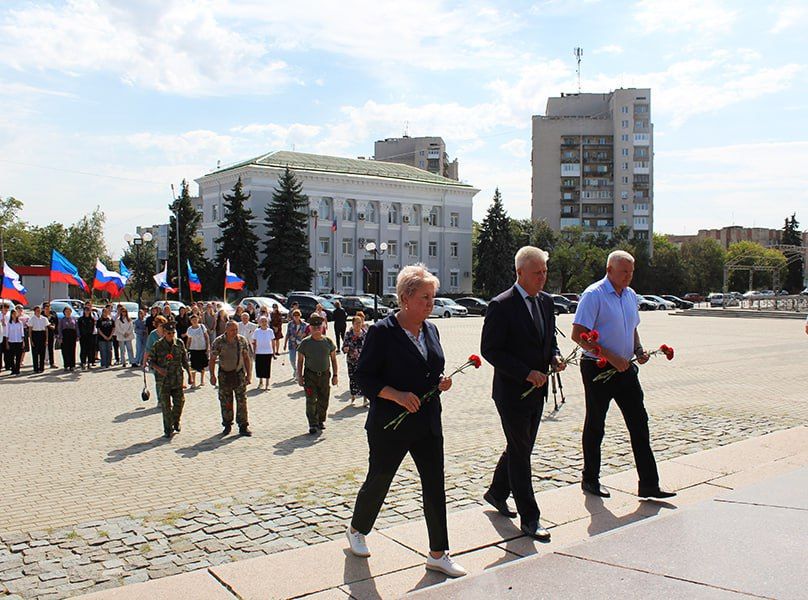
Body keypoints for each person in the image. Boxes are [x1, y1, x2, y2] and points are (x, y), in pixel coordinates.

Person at [346, 264, 466, 578]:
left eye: (433, 297)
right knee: (380, 480)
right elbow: (364, 377)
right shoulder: (382, 332)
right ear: (405, 298)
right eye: (425, 297)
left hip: (427, 422)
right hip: (391, 424)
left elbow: (429, 368)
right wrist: (397, 395)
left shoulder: (431, 329)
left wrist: (440, 381)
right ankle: (357, 529)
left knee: (434, 485)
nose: (431, 303)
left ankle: (438, 553)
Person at [572, 250, 676, 500]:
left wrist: (638, 350)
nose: (628, 277)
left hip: (626, 368)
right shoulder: (593, 295)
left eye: (631, 272)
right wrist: (609, 356)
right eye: (624, 272)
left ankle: (649, 483)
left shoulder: (630, 295)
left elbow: (633, 329)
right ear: (609, 271)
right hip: (598, 368)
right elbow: (579, 335)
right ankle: (590, 479)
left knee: (639, 422)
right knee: (596, 423)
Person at [480, 246, 563, 542]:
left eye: (545, 272)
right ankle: (531, 518)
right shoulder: (501, 305)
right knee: (520, 452)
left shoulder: (546, 302)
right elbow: (490, 349)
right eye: (537, 272)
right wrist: (526, 372)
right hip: (512, 392)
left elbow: (549, 338)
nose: (543, 277)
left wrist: (554, 357)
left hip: (537, 392)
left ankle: (497, 492)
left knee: (521, 447)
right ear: (520, 273)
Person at [209, 321, 253, 436]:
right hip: (224, 374)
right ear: (226, 330)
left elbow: (246, 357)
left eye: (236, 330)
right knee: (226, 401)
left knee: (242, 400)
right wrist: (212, 375)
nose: (235, 332)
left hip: (239, 373)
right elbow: (213, 359)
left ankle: (243, 425)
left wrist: (249, 374)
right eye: (232, 330)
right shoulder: (218, 342)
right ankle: (227, 424)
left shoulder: (242, 340)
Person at [296, 313, 337, 434]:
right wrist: (299, 376)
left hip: (324, 375)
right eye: (314, 328)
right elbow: (300, 361)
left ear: (323, 327)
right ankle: (312, 423)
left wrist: (335, 375)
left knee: (324, 399)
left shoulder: (328, 342)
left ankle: (320, 420)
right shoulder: (305, 343)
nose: (317, 329)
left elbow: (334, 359)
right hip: (310, 375)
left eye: (319, 327)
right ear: (310, 328)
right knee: (311, 400)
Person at [149, 322, 191, 438]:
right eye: (169, 333)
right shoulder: (158, 345)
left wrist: (189, 375)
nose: (171, 335)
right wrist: (159, 369)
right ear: (164, 333)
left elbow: (185, 361)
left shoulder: (179, 343)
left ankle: (175, 420)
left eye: (173, 333)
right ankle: (168, 429)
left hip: (177, 379)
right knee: (166, 406)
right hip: (163, 381)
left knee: (180, 402)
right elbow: (151, 361)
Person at [343, 311, 368, 405]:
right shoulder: (348, 334)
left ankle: (365, 399)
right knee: (353, 378)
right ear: (352, 324)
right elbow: (344, 346)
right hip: (351, 360)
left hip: (363, 361)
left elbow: (369, 346)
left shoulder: (365, 333)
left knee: (364, 378)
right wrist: (345, 349)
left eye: (359, 323)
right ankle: (353, 395)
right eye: (356, 323)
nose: (358, 325)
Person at [143, 316, 168, 406]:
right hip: (156, 362)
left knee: (168, 381)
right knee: (159, 382)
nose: (162, 327)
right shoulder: (152, 335)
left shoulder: (168, 333)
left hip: (167, 361)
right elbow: (147, 349)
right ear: (156, 325)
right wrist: (144, 362)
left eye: (164, 325)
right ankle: (160, 400)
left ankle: (167, 399)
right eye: (161, 325)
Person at [185, 313, 209, 387]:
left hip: (202, 348)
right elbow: (189, 340)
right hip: (193, 349)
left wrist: (208, 347)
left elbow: (206, 337)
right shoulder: (189, 329)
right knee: (193, 366)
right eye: (193, 320)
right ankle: (194, 382)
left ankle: (202, 380)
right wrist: (186, 349)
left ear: (198, 319)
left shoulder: (202, 327)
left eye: (196, 319)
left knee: (202, 365)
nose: (194, 321)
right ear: (191, 321)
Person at [252, 316, 275, 390]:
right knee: (259, 368)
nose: (264, 323)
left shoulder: (270, 331)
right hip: (259, 352)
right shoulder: (257, 331)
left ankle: (267, 384)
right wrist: (254, 353)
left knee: (267, 368)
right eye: (262, 321)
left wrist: (274, 352)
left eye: (265, 321)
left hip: (268, 352)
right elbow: (254, 342)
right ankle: (260, 382)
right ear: (259, 323)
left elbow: (273, 342)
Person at [284, 309, 307, 379]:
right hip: (292, 343)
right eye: (295, 315)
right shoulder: (290, 324)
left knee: (300, 359)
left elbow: (306, 334)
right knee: (292, 359)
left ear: (300, 316)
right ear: (293, 316)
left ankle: (298, 372)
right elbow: (288, 334)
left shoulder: (304, 325)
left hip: (301, 344)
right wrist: (285, 343)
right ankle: (295, 369)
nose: (296, 317)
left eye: (298, 315)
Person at [28, 305, 50, 373]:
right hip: (35, 335)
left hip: (42, 334)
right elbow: (30, 330)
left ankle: (41, 367)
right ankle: (35, 368)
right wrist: (31, 340)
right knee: (35, 353)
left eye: (39, 310)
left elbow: (46, 329)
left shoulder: (44, 318)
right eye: (37, 310)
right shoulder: (32, 319)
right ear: (34, 311)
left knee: (42, 353)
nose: (38, 312)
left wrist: (46, 339)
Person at [4, 309, 25, 376]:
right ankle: (13, 369)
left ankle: (17, 369)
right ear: (11, 315)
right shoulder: (9, 323)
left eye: (15, 314)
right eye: (13, 314)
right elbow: (7, 334)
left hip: (19, 341)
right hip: (11, 341)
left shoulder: (20, 323)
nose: (14, 315)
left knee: (19, 356)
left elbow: (22, 333)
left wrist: (23, 341)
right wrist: (7, 343)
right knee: (11, 357)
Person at [57, 306, 78, 371]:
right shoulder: (62, 320)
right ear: (64, 312)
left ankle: (72, 365)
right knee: (65, 351)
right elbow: (59, 329)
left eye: (69, 311)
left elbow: (76, 328)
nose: (68, 313)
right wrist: (60, 337)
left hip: (72, 336)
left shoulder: (74, 319)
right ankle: (66, 365)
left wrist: (78, 336)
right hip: (65, 336)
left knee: (72, 350)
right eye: (66, 311)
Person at [77, 306, 96, 370]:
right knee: (83, 350)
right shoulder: (81, 319)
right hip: (83, 336)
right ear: (84, 311)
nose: (87, 311)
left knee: (90, 350)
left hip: (90, 336)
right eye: (86, 310)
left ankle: (89, 363)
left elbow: (93, 327)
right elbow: (78, 328)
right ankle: (83, 362)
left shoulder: (92, 319)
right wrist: (79, 335)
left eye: (88, 310)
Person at [43, 302, 58, 368]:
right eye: (46, 309)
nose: (47, 310)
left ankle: (52, 363)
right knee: (43, 348)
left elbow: (56, 323)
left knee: (51, 348)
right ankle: (41, 362)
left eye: (48, 308)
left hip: (51, 333)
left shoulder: (53, 315)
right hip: (43, 333)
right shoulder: (42, 315)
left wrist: (56, 331)